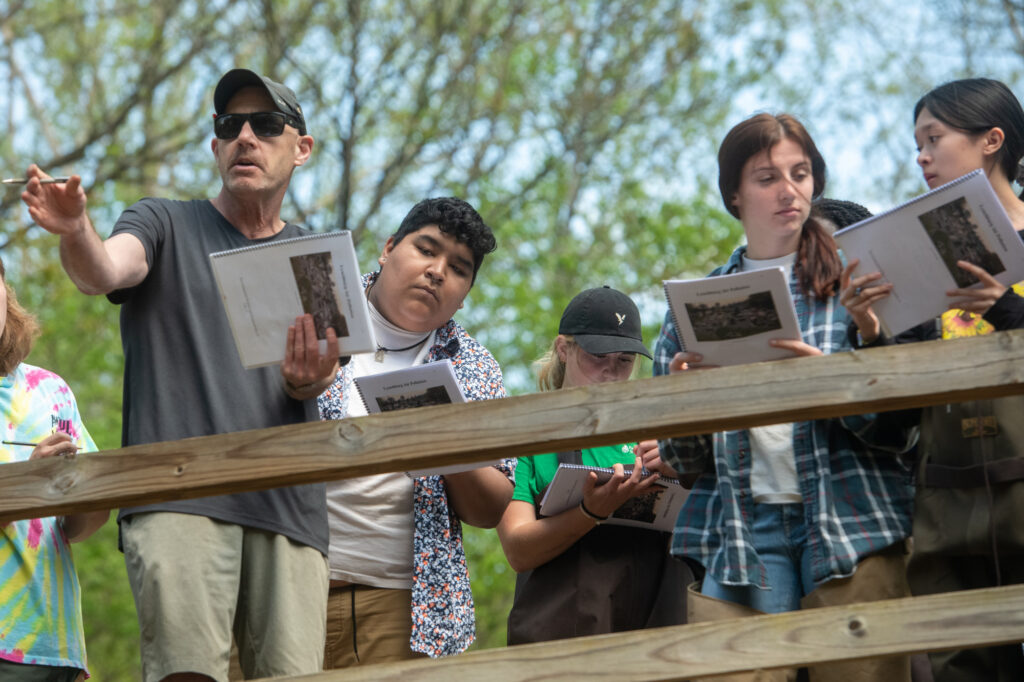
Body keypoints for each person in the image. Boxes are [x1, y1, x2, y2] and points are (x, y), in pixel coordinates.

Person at [20, 69, 339, 681]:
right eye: (229, 125)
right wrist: (74, 230)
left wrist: (306, 379)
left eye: (265, 125)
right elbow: (104, 271)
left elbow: (313, 381)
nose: (245, 137)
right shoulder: (162, 222)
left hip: (291, 511)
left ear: (301, 148)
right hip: (179, 500)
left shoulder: (314, 255)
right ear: (215, 146)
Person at [654, 113, 916, 682]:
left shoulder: (858, 284)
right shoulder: (689, 311)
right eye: (767, 177)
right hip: (740, 533)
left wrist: (844, 370)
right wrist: (685, 403)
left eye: (800, 173)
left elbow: (900, 432)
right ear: (734, 193)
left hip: (855, 523)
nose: (788, 189)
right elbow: (685, 463)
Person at [845, 78, 1024, 682]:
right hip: (948, 515)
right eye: (915, 142)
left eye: (933, 138)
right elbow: (893, 426)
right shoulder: (912, 257)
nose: (920, 155)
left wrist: (1007, 308)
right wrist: (872, 333)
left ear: (991, 141)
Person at [316, 197, 514, 666]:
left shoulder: (473, 365)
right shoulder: (316, 318)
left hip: (404, 603)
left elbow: (491, 507)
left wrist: (438, 446)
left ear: (464, 294)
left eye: (458, 268)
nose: (437, 271)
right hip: (283, 581)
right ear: (387, 249)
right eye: (426, 249)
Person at [497, 286, 692, 645]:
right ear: (563, 349)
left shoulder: (663, 430)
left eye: (624, 360)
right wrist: (590, 511)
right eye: (597, 355)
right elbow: (518, 549)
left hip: (658, 637)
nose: (610, 372)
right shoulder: (528, 432)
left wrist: (684, 464)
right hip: (560, 645)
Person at [0, 257, 108, 682]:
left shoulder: (50, 390)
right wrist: (29, 485)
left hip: (55, 649)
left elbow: (76, 527)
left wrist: (84, 489)